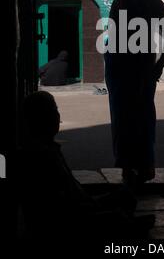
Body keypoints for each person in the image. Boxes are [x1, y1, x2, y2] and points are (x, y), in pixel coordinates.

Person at [18, 91, 155, 242]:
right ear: (43, 119)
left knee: (124, 197)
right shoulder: (42, 156)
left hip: (80, 206)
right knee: (116, 216)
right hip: (67, 221)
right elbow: (61, 207)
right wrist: (93, 207)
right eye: (54, 111)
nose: (58, 116)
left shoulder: (48, 148)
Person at [105, 0, 164, 187]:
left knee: (138, 118)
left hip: (138, 71)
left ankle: (141, 167)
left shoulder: (148, 2)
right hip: (122, 71)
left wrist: (158, 66)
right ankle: (130, 167)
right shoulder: (119, 3)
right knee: (124, 120)